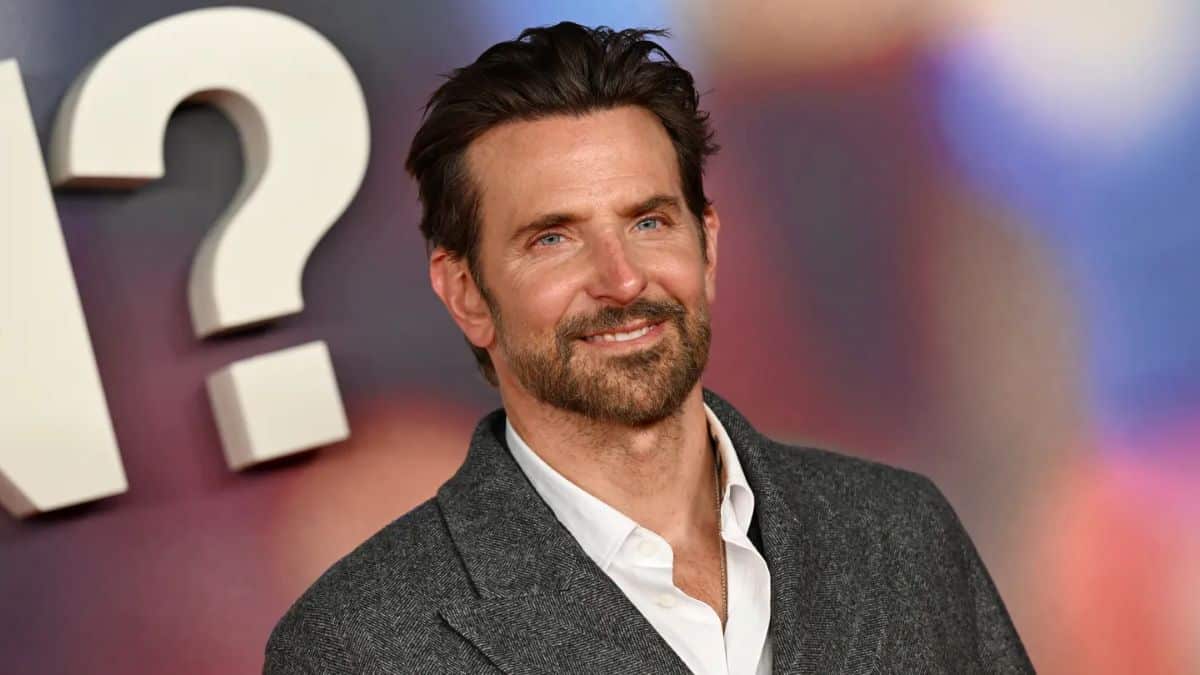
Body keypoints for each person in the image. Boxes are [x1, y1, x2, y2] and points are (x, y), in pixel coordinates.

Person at [264, 22, 1032, 674]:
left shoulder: (905, 534)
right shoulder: (361, 632)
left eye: (649, 222)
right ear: (464, 292)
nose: (622, 278)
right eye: (554, 238)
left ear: (708, 242)